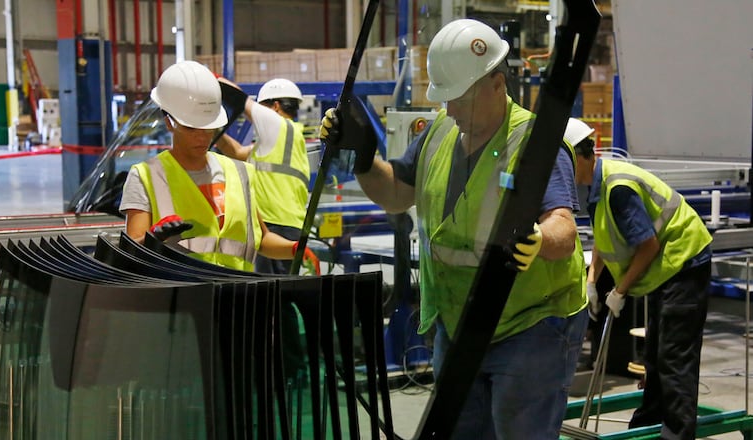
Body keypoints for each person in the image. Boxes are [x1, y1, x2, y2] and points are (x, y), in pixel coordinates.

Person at [321, 19, 588, 439]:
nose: (449, 109)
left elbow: (564, 228)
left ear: (497, 84)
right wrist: (363, 155)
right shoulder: (440, 134)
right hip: (459, 321)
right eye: (445, 98)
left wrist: (538, 240)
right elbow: (395, 194)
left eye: (459, 98)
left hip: (530, 324)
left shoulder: (536, 143)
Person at [570, 117, 712, 439]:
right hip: (665, 270)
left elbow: (647, 245)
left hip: (684, 262)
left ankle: (676, 434)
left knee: (674, 357)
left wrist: (620, 290)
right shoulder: (595, 186)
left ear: (579, 156)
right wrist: (593, 281)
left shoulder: (617, 187)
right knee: (654, 355)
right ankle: (647, 424)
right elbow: (606, 238)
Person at [119, 60, 307, 271]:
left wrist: (295, 249)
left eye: (209, 128)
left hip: (237, 295)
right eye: (192, 128)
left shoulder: (240, 172)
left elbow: (262, 240)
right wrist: (152, 240)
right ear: (169, 121)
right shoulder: (145, 176)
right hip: (182, 296)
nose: (202, 136)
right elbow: (131, 252)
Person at [215, 77, 313, 275]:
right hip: (286, 225)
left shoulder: (279, 126)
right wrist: (211, 129)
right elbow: (236, 152)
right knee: (276, 293)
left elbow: (239, 100)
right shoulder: (285, 139)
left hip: (275, 226)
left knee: (268, 294)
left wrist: (213, 80)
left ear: (275, 106)